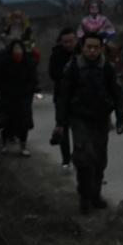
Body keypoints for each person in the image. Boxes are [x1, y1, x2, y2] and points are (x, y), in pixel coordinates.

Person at [54, 32, 123, 214]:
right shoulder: (73, 67)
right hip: (79, 119)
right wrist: (60, 122)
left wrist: (120, 117)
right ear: (82, 47)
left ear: (102, 48)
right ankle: (85, 196)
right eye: (89, 47)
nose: (92, 51)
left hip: (101, 119)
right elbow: (64, 96)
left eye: (96, 47)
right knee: (83, 158)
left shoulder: (107, 68)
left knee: (99, 160)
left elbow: (117, 94)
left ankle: (95, 195)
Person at [0, 40, 38, 156]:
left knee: (24, 122)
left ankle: (23, 146)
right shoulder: (5, 62)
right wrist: (4, 89)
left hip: (24, 97)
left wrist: (29, 90)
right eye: (15, 48)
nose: (18, 50)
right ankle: (4, 145)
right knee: (6, 122)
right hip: (8, 97)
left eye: (19, 47)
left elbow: (33, 80)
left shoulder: (28, 62)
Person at [48, 27, 77, 170]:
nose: (68, 44)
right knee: (63, 128)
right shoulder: (56, 54)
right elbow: (53, 74)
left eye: (71, 41)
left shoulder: (82, 53)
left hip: (79, 97)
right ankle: (66, 159)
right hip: (61, 96)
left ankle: (78, 156)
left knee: (79, 128)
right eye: (65, 42)